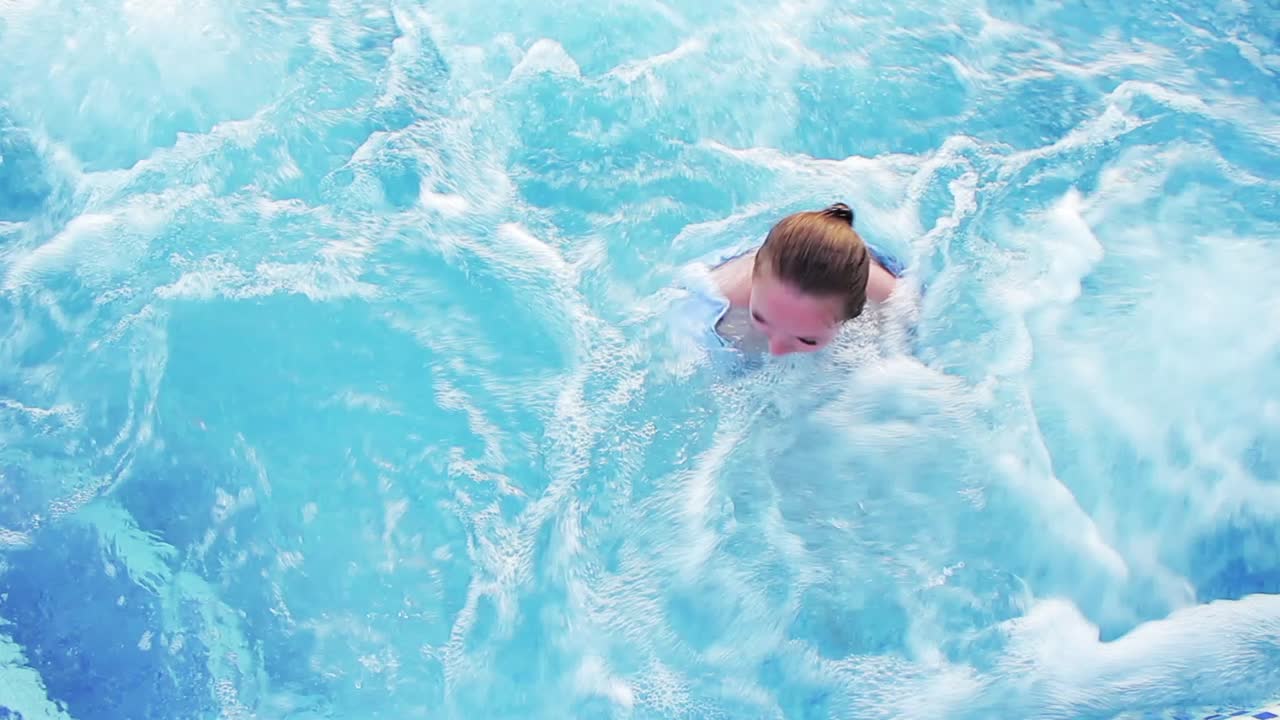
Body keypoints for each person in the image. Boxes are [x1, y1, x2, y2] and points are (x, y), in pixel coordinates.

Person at [683, 203, 904, 357]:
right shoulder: (716, 298)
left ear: (852, 315)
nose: (776, 350)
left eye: (807, 339)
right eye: (760, 317)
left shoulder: (890, 297)